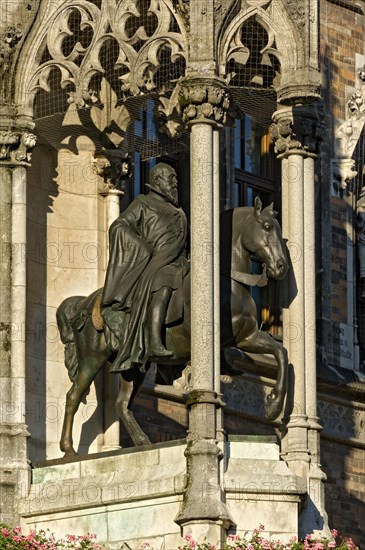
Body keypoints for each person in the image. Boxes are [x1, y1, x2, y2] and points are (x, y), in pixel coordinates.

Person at [101, 163, 189, 373]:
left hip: (180, 261)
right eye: (171, 178)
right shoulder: (142, 203)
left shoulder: (180, 212)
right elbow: (119, 226)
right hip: (157, 266)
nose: (176, 182)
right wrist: (142, 247)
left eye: (176, 178)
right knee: (164, 285)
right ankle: (154, 341)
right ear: (157, 180)